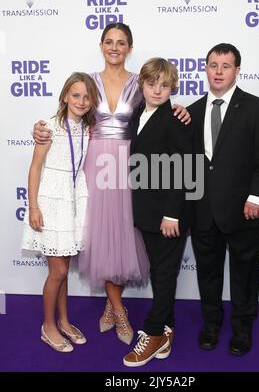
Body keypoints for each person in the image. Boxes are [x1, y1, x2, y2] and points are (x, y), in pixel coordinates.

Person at [32, 23, 191, 346]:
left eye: (121, 43)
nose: (115, 47)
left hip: (133, 167)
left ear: (130, 48)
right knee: (100, 237)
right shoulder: (88, 81)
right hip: (96, 165)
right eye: (109, 41)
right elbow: (69, 113)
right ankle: (119, 310)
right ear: (101, 45)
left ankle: (111, 304)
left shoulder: (141, 82)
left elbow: (156, 111)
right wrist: (40, 129)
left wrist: (181, 107)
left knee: (123, 238)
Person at [188, 43, 259, 355]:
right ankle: (211, 324)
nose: (218, 71)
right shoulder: (192, 112)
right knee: (208, 274)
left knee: (244, 273)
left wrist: (257, 198)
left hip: (244, 210)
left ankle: (242, 328)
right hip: (203, 212)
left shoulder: (258, 108)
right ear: (206, 68)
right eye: (213, 65)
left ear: (237, 70)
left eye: (225, 66)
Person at [22, 72, 99, 352]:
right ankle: (48, 326)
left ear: (92, 102)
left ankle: (65, 321)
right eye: (75, 95)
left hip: (73, 203)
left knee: (64, 270)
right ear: (65, 95)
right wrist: (33, 207)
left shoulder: (87, 129)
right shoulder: (49, 127)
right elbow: (34, 168)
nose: (81, 100)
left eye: (86, 96)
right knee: (57, 271)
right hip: (51, 203)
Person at [123, 58, 193, 367]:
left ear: (172, 88)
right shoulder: (139, 113)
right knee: (160, 273)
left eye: (164, 86)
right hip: (146, 211)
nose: (157, 90)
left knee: (164, 274)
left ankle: (152, 334)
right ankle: (166, 330)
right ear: (142, 85)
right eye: (152, 84)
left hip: (168, 215)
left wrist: (172, 215)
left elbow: (184, 170)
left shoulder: (175, 119)